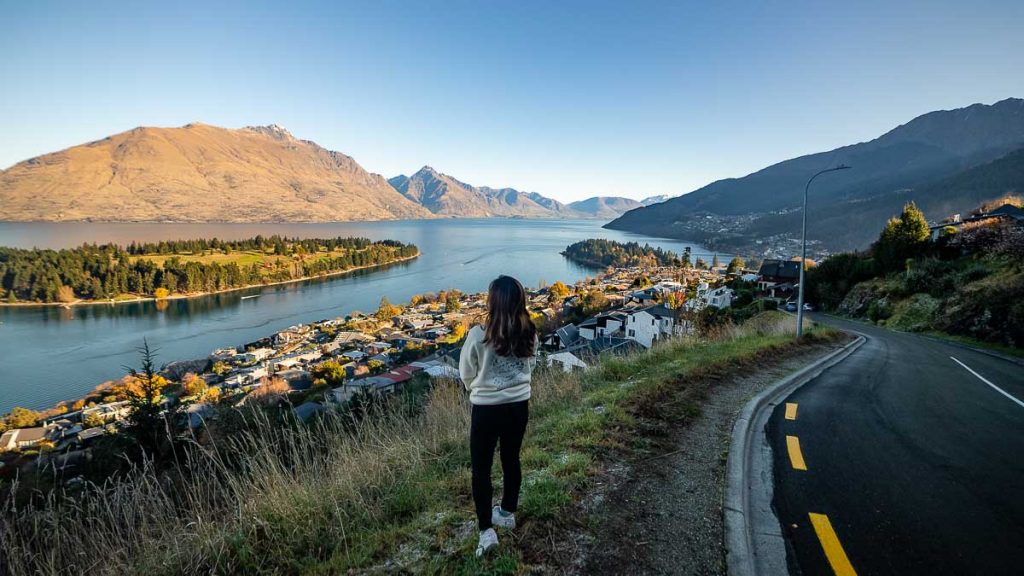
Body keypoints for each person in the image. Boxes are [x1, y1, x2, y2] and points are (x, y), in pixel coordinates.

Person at [459, 275, 538, 557]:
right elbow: (532, 363)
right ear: (520, 300)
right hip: (519, 405)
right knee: (510, 458)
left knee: (481, 469)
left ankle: (486, 531)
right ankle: (506, 511)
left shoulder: (478, 335)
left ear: (492, 302)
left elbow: (466, 374)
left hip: (486, 410)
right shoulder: (529, 331)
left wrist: (480, 390)